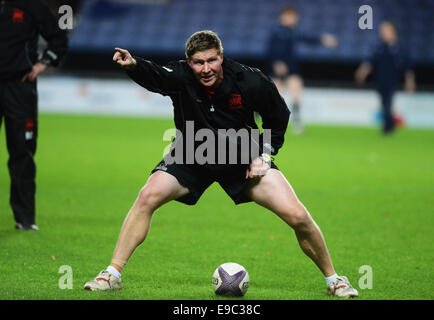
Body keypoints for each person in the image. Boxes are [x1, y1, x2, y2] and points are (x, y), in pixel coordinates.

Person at [83, 30, 358, 298]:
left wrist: (264, 155)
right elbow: (156, 75)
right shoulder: (181, 76)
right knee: (147, 196)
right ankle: (112, 274)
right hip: (192, 156)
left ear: (221, 57)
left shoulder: (250, 80)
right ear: (189, 62)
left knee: (297, 215)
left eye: (212, 60)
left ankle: (334, 280)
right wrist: (133, 65)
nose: (206, 69)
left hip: (243, 160)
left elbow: (278, 118)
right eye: (198, 62)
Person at [0, 0, 68, 231]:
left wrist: (41, 64)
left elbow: (59, 38)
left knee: (22, 151)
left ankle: (25, 219)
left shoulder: (30, 5)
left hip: (20, 87)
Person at [266, 4, 338, 134]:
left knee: (296, 91)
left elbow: (308, 38)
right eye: (290, 16)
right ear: (283, 16)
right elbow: (271, 51)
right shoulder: (276, 31)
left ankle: (297, 122)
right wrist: (277, 63)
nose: (292, 19)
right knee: (274, 98)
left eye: (293, 17)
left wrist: (323, 39)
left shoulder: (293, 31)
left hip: (292, 69)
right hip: (277, 70)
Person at [355, 21, 415, 135]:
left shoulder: (400, 49)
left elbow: (408, 68)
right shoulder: (378, 48)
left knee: (387, 105)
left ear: (393, 32)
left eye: (385, 30)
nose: (382, 33)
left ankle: (387, 128)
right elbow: (369, 62)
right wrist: (362, 73)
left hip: (393, 82)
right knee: (384, 104)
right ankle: (390, 124)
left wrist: (410, 82)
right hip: (379, 81)